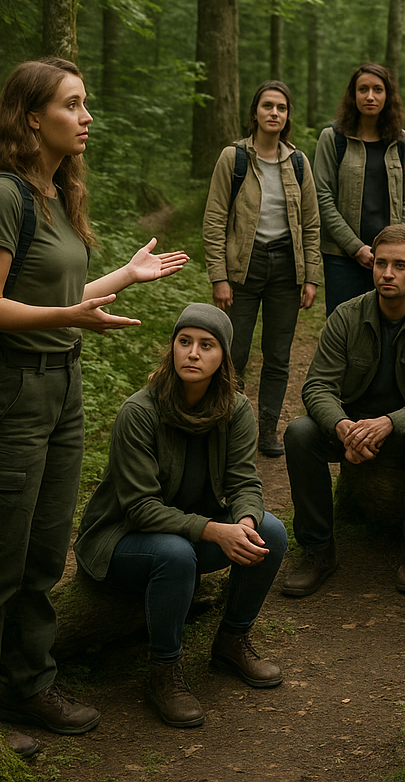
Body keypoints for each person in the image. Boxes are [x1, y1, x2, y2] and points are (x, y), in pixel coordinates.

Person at [0, 58, 189, 757]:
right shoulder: (2, 195)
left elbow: (63, 297)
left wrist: (126, 277)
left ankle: (31, 681)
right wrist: (73, 318)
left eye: (85, 104)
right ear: (31, 116)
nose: (86, 117)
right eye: (72, 105)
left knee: (43, 554)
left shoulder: (55, 190)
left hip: (63, 387)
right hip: (11, 395)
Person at [75, 304, 286, 729]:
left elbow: (246, 482)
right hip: (122, 540)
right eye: (184, 342)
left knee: (272, 532)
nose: (192, 353)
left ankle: (231, 640)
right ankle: (164, 670)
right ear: (172, 348)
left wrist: (243, 524)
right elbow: (139, 508)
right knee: (175, 554)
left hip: (190, 534)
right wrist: (213, 530)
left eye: (206, 346)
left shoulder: (236, 409)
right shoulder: (139, 412)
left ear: (223, 357)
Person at [281, 225, 405, 597]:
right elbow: (317, 385)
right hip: (354, 430)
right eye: (381, 263)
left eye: (399, 265)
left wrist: (390, 423)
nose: (387, 273)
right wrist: (342, 426)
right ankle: (317, 549)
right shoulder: (348, 315)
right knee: (300, 431)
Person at [202, 80, 321, 457]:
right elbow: (214, 219)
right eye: (268, 105)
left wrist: (311, 277)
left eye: (281, 108)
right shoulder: (233, 158)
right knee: (232, 353)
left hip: (287, 267)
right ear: (255, 111)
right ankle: (229, 427)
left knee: (278, 355)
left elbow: (312, 223)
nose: (274, 113)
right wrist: (219, 276)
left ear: (287, 117)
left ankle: (267, 429)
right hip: (243, 268)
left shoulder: (298, 162)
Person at [314, 62, 405, 315]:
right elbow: (322, 197)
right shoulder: (333, 138)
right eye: (363, 89)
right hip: (342, 256)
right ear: (353, 95)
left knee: (387, 325)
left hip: (390, 261)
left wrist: (399, 246)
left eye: (377, 90)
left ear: (388, 96)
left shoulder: (402, 141)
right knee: (343, 326)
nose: (370, 96)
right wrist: (355, 247)